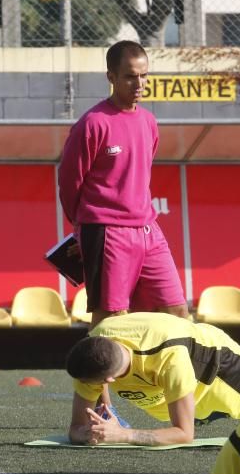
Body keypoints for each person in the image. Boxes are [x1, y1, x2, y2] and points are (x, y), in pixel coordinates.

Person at [57, 40, 189, 328]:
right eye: (130, 76)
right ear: (111, 77)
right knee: (111, 320)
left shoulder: (149, 122)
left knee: (177, 312)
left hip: (148, 230)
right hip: (107, 232)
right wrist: (84, 231)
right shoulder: (92, 124)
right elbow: (69, 183)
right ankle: (95, 374)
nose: (139, 83)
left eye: (144, 76)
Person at [64, 312, 240, 447]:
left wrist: (124, 435)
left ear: (109, 380)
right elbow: (75, 428)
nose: (87, 389)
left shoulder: (169, 359)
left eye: (92, 386)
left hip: (206, 352)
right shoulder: (94, 350)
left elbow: (183, 434)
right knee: (205, 411)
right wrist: (88, 433)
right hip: (166, 369)